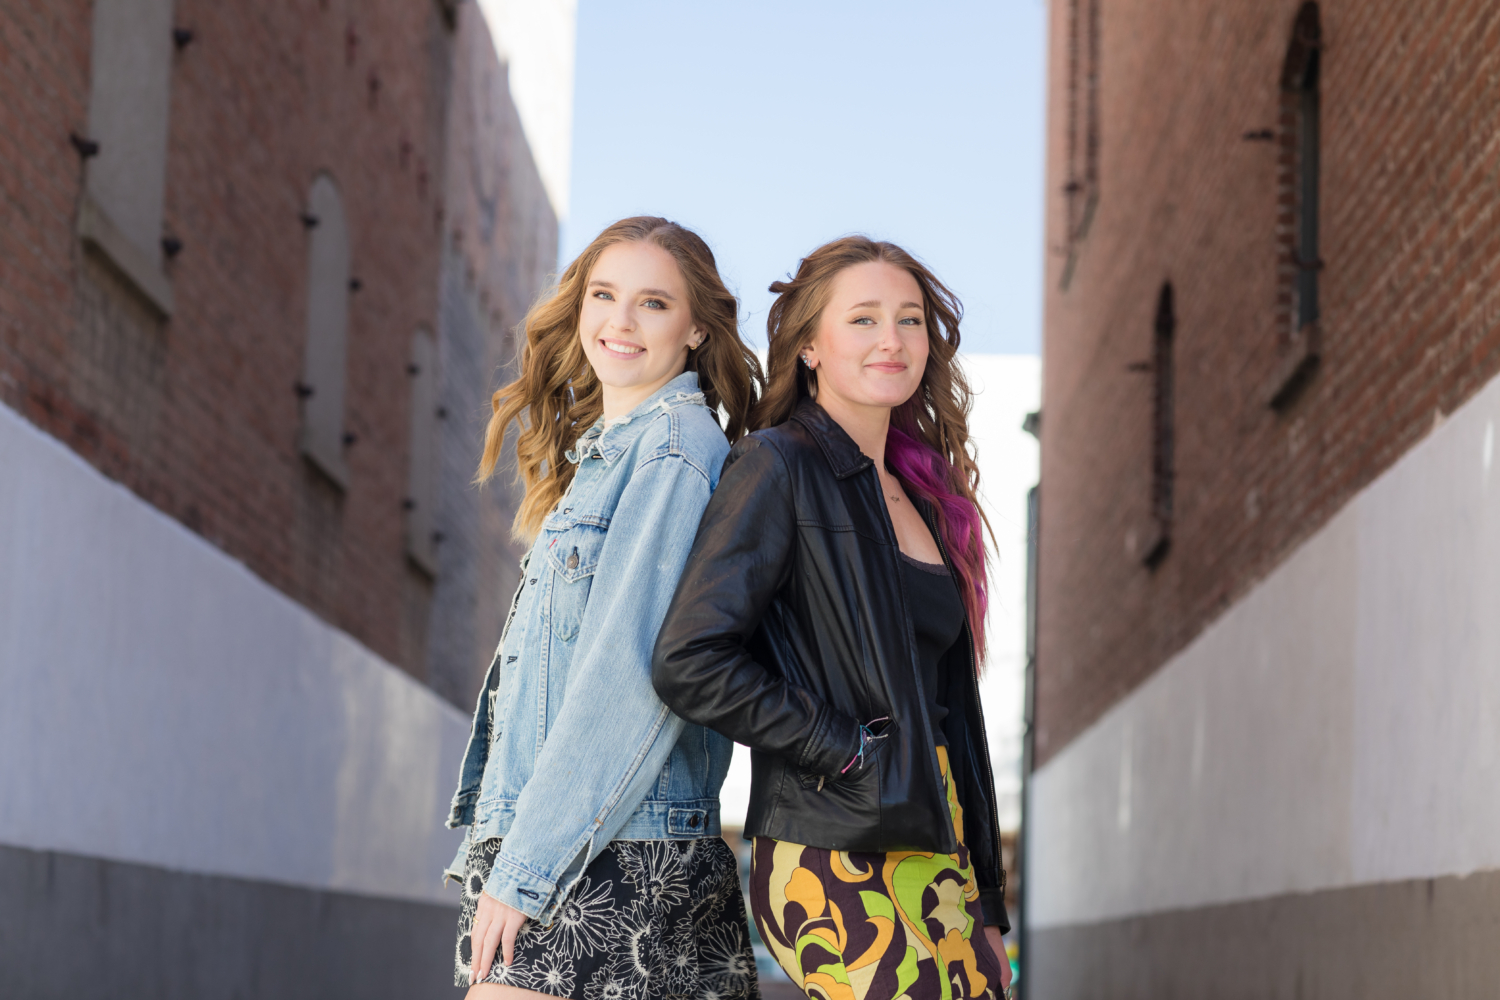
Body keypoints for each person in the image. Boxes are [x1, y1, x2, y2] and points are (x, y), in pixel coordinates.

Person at [652, 236, 1014, 1000]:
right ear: (810, 346)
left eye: (910, 320)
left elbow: (951, 717)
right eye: (864, 319)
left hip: (936, 841)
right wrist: (844, 748)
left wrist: (985, 892)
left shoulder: (922, 496)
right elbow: (691, 658)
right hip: (832, 846)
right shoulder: (779, 465)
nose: (893, 339)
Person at [444, 217, 764, 1000]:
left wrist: (524, 870)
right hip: (577, 836)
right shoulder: (617, 449)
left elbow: (631, 674)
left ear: (695, 330)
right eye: (604, 295)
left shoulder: (672, 452)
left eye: (653, 303)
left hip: (607, 851)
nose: (620, 322)